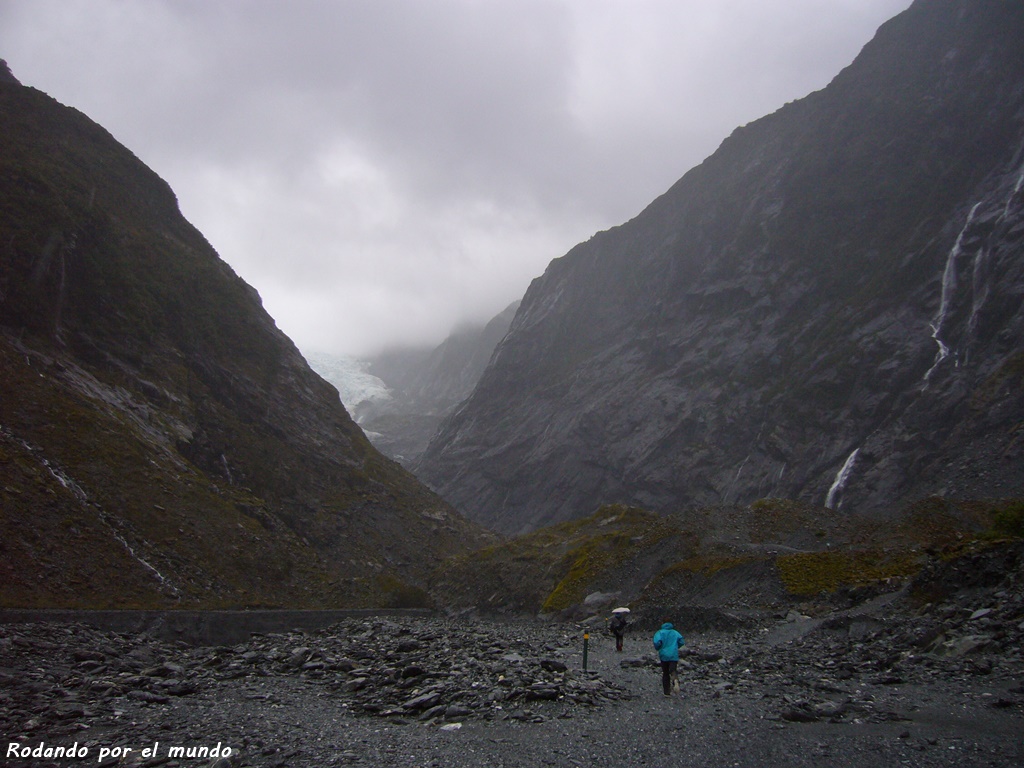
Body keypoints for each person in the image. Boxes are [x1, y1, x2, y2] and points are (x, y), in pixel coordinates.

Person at [652, 621, 685, 696]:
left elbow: (657, 643)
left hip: (664, 655)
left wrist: (659, 648)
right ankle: (675, 680)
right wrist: (676, 647)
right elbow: (682, 641)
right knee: (673, 669)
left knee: (665, 673)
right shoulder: (675, 632)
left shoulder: (660, 633)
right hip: (673, 654)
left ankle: (667, 692)